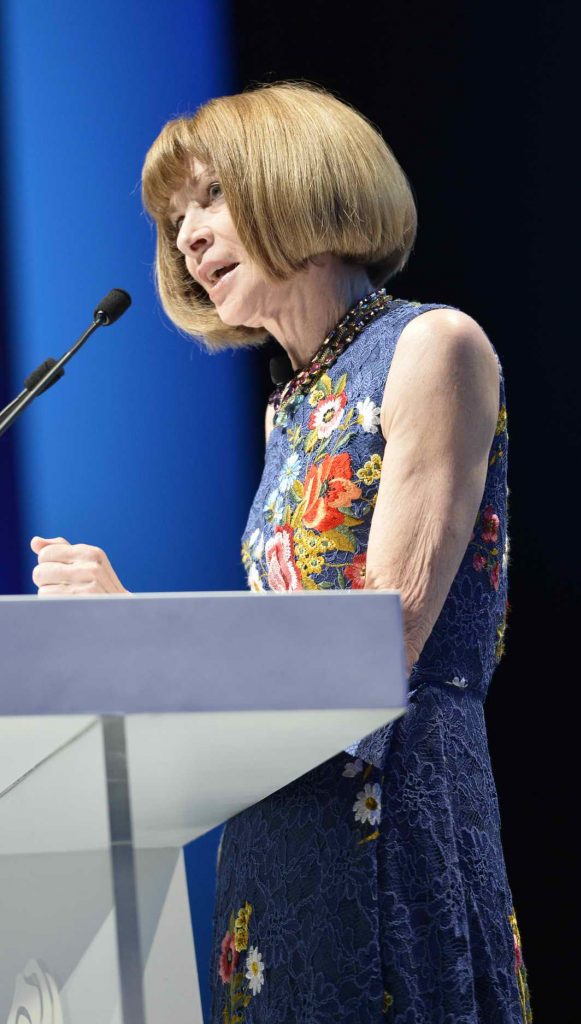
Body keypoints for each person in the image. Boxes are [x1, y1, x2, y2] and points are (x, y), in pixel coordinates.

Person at [30, 81, 532, 1023]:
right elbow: (279, 659)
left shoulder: (433, 347)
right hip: (272, 836)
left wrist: (136, 628)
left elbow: (375, 646)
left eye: (210, 197)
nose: (186, 236)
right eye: (176, 218)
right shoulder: (289, 410)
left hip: (389, 821)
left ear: (298, 181)